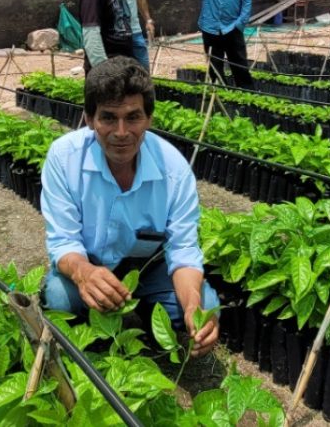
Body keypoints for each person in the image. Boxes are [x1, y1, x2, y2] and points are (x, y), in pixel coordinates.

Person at [41, 56, 219, 357]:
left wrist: (193, 305)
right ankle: (96, 326)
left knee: (207, 306)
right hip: (91, 262)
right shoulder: (64, 158)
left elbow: (183, 249)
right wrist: (84, 273)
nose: (121, 132)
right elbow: (63, 240)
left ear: (148, 118)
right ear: (89, 119)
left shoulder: (173, 169)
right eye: (108, 117)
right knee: (59, 297)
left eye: (133, 117)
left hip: (149, 268)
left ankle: (152, 312)